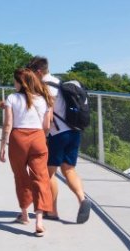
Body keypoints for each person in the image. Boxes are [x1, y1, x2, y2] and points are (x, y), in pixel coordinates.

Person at [29, 56, 91, 224]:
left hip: (57, 135)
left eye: (32, 73)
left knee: (49, 172)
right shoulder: (60, 83)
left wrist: (41, 136)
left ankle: (52, 210)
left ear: (39, 72)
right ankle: (82, 198)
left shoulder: (44, 89)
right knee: (69, 169)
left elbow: (48, 116)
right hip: (74, 131)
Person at [0, 67, 55, 236]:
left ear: (20, 82)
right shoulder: (43, 100)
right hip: (38, 138)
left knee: (21, 175)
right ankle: (39, 221)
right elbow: (46, 126)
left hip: (18, 139)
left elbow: (8, 124)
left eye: (14, 81)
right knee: (41, 177)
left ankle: (24, 214)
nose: (13, 84)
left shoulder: (12, 98)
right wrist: (40, 138)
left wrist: (3, 145)